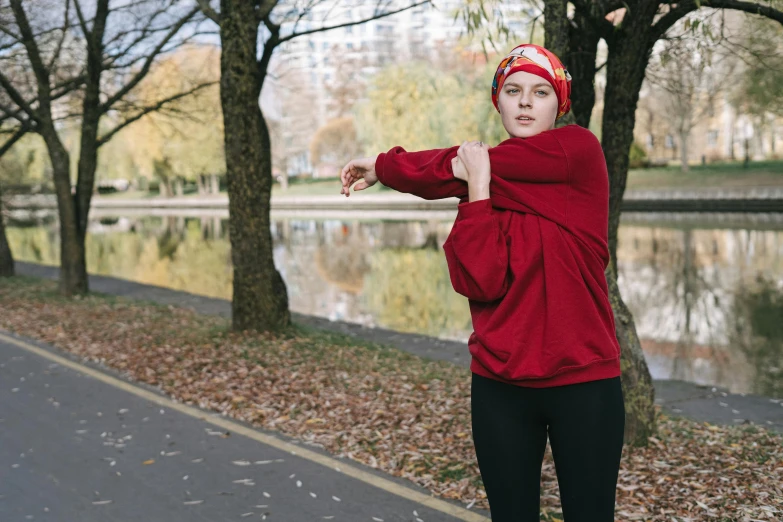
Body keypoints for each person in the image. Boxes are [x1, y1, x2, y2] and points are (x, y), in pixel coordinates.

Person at [340, 44, 625, 522]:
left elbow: (454, 163)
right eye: (513, 91)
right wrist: (476, 193)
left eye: (540, 91)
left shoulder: (577, 151)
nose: (526, 102)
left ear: (560, 103)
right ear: (499, 102)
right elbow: (481, 282)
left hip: (584, 381)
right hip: (500, 385)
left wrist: (387, 167)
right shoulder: (486, 184)